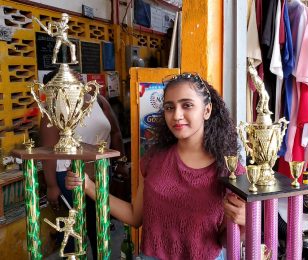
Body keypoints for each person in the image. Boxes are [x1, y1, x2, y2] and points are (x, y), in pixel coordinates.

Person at [66, 73, 246, 259]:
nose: (176, 115)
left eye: (187, 105)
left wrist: (245, 224)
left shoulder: (229, 169)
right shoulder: (154, 159)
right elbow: (135, 217)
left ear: (207, 110)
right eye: (169, 107)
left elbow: (225, 241)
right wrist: (88, 186)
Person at [40, 69, 128, 259]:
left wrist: (120, 161)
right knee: (75, 227)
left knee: (99, 224)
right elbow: (48, 153)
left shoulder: (99, 101)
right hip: (70, 177)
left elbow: (115, 133)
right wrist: (52, 185)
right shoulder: (53, 109)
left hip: (102, 172)